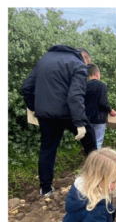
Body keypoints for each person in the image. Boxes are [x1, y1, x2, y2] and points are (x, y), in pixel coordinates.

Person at [21, 45, 97, 197]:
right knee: (89, 139)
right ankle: (97, 178)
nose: (87, 67)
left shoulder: (44, 60)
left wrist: (34, 108)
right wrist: (80, 123)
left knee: (47, 148)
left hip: (46, 115)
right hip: (67, 113)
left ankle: (46, 189)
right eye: (88, 64)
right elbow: (75, 96)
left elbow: (26, 86)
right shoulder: (78, 64)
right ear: (85, 56)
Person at [84, 64, 115, 151]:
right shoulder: (102, 86)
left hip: (87, 119)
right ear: (97, 74)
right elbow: (102, 103)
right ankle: (95, 163)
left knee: (89, 142)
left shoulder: (84, 85)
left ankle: (89, 160)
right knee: (97, 142)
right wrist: (110, 110)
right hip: (99, 119)